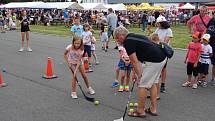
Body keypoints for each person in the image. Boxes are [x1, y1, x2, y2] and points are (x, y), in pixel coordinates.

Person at [113, 26, 167, 117]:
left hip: (154, 61)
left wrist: (139, 76)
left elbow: (134, 61)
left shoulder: (128, 42)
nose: (117, 41)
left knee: (143, 85)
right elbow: (136, 59)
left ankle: (140, 111)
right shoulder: (134, 36)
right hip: (162, 58)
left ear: (122, 36)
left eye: (117, 38)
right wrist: (135, 73)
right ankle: (153, 109)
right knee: (153, 83)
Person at [154, 15, 173, 93]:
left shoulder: (168, 30)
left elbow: (165, 42)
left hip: (164, 50)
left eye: (158, 23)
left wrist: (157, 42)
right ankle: (155, 83)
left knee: (163, 68)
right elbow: (154, 37)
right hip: (156, 49)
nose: (157, 25)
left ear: (162, 23)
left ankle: (163, 84)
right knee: (156, 67)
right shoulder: (158, 29)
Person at [206, 11, 215, 85]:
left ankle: (213, 78)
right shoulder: (211, 20)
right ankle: (202, 78)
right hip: (209, 45)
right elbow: (207, 31)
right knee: (204, 61)